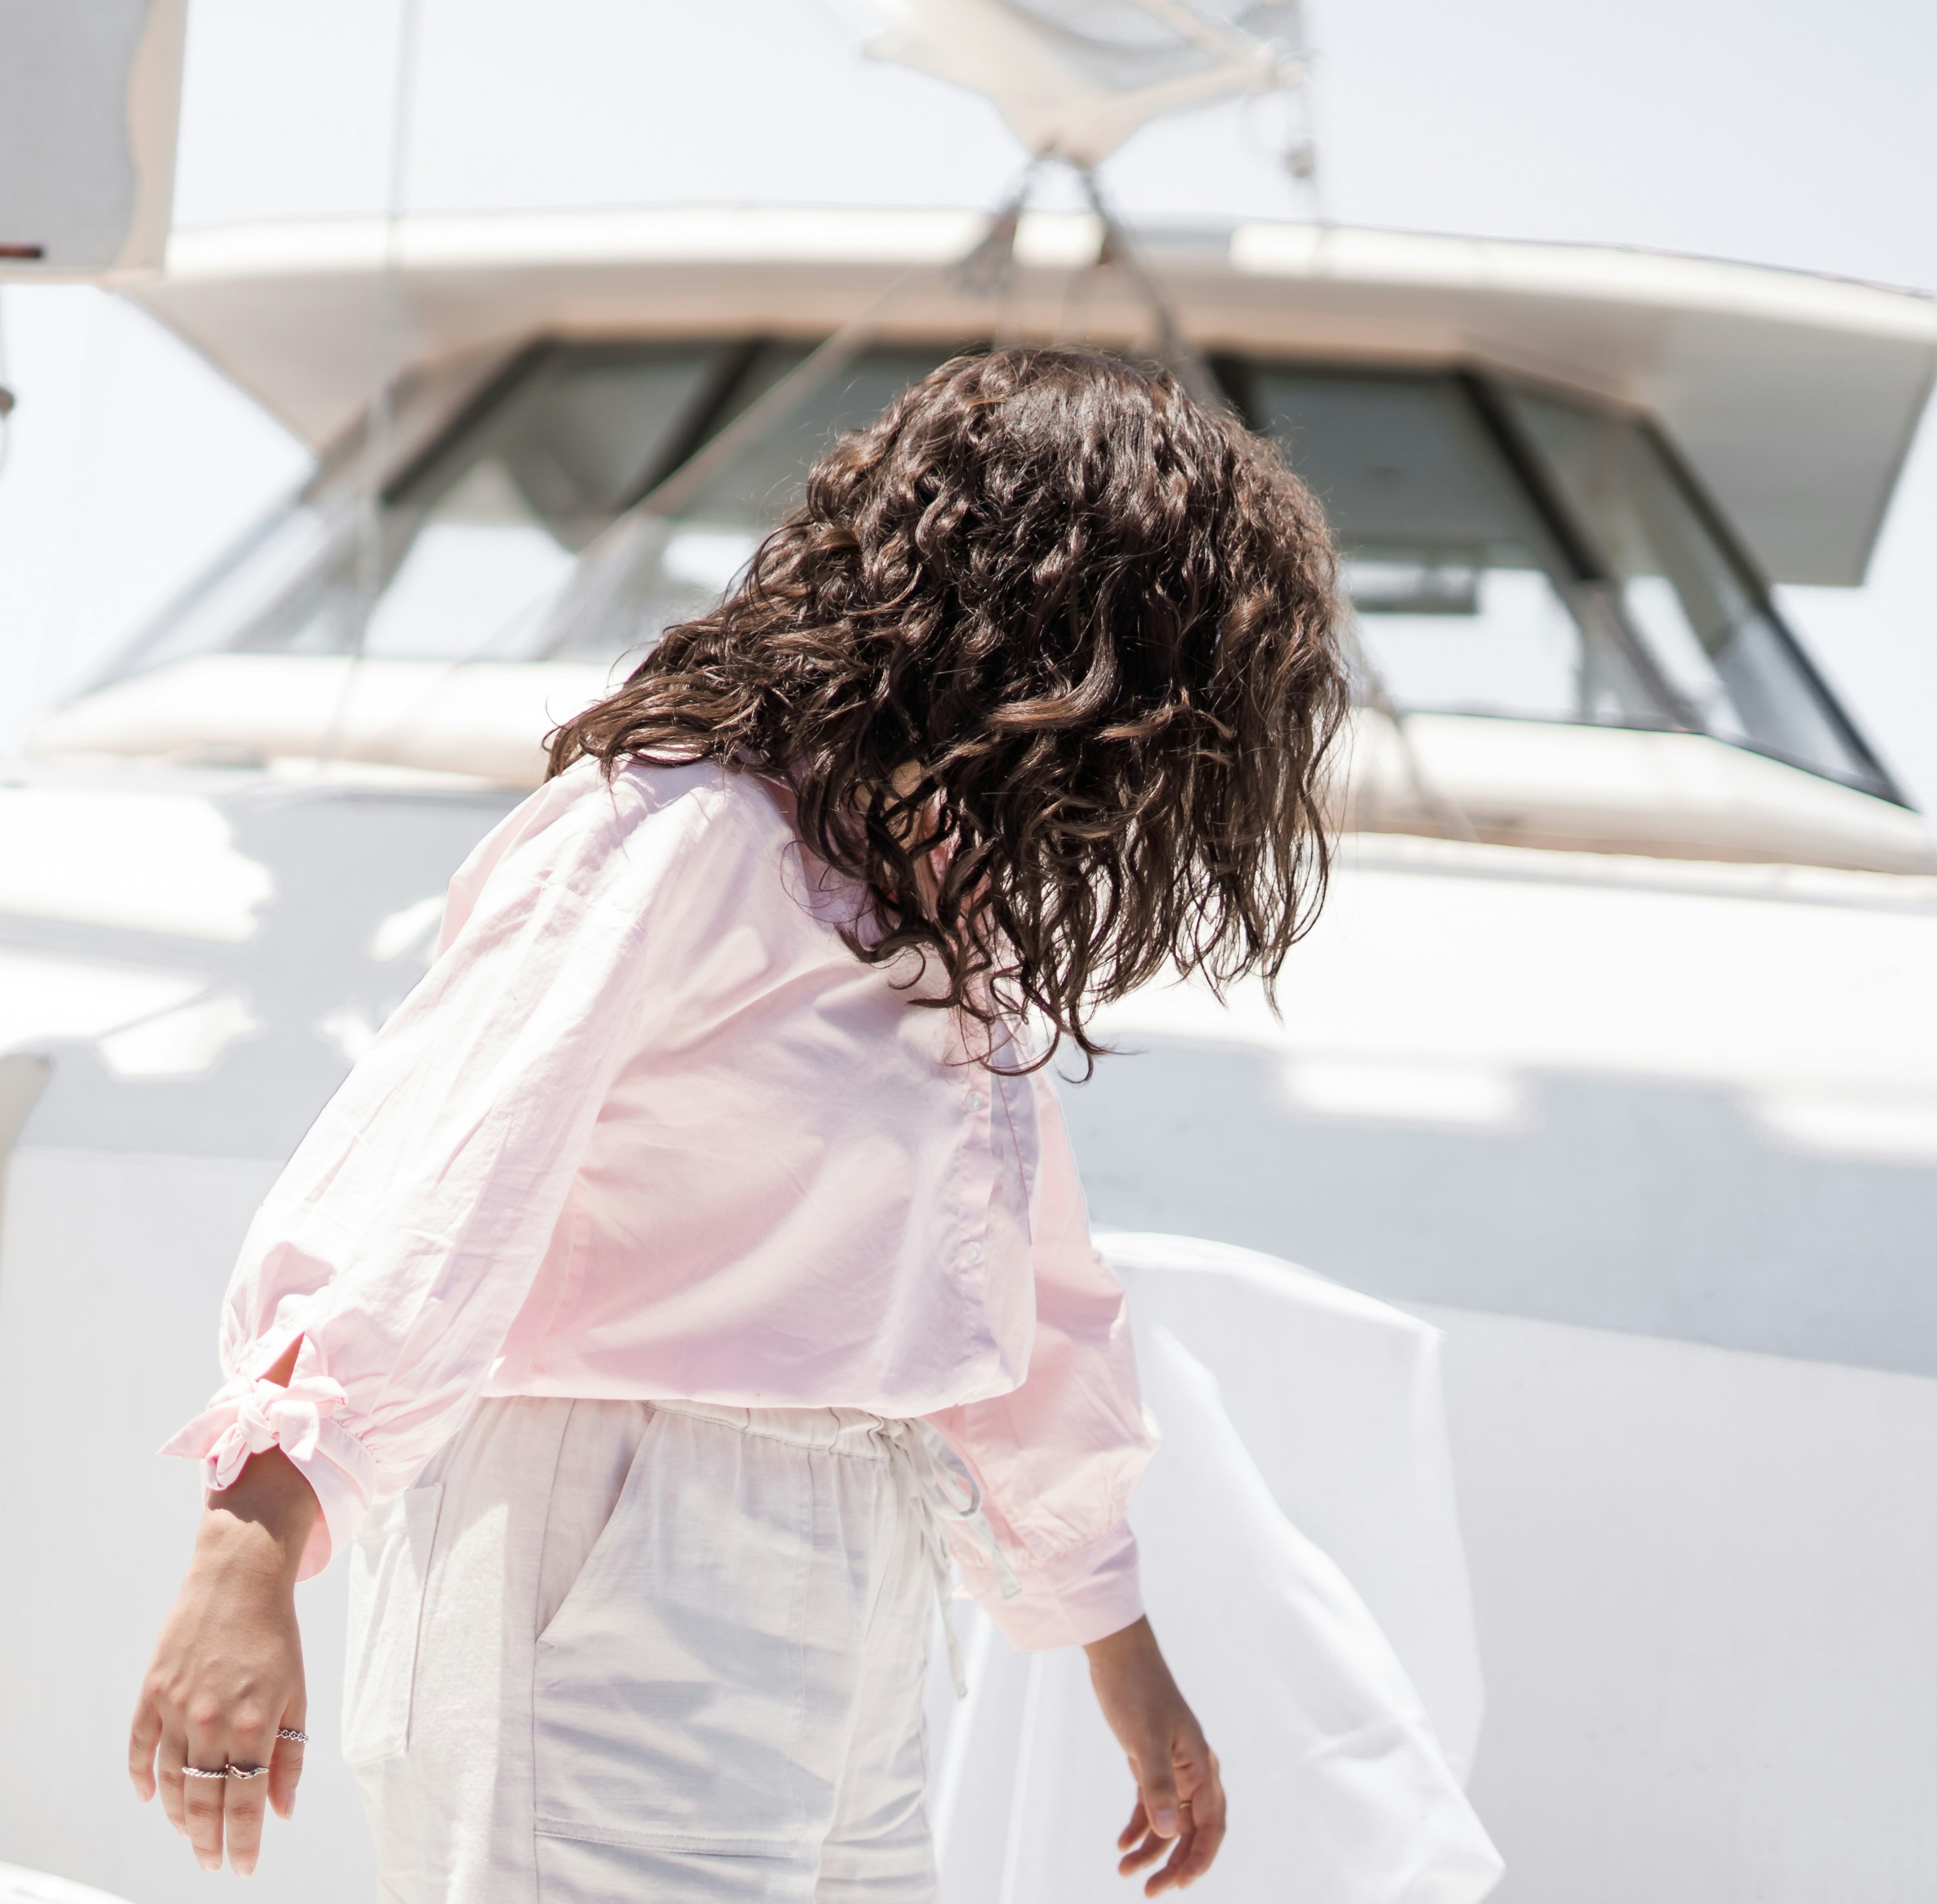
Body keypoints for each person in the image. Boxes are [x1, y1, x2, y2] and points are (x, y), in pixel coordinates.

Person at [126, 349, 1347, 1901]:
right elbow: (444, 1176)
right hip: (617, 1538)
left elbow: (1023, 1295)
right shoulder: (682, 828)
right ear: (1039, 620)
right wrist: (254, 1535)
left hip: (858, 1555)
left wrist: (1116, 1639)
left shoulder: (941, 898)